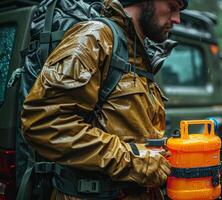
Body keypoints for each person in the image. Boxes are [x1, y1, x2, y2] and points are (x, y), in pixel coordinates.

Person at [20, 0, 188, 199]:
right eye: (172, 7)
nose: (177, 19)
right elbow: (44, 122)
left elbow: (127, 129)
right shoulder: (95, 38)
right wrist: (134, 161)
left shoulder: (139, 54)